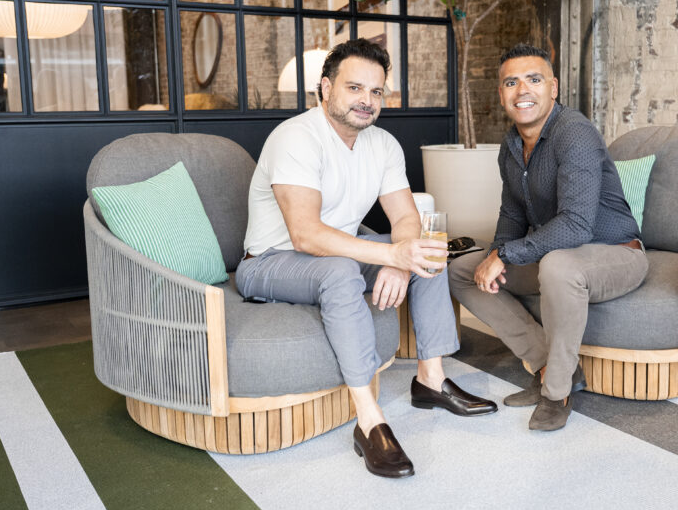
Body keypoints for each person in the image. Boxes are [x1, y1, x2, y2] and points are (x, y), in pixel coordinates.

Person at [237, 38, 496, 479]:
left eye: (376, 92)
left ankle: (431, 379)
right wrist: (390, 251)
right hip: (270, 261)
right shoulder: (295, 138)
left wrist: (400, 260)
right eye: (354, 88)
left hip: (337, 251)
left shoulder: (383, 145)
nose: (367, 100)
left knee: (427, 249)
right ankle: (369, 418)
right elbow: (305, 234)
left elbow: (406, 218)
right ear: (326, 88)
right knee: (341, 272)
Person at [449, 43, 648, 431]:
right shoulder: (510, 146)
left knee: (558, 266)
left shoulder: (575, 134)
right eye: (511, 82)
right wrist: (494, 254)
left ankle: (557, 394)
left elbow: (576, 225)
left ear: (553, 88)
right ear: (502, 94)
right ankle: (548, 365)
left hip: (616, 253)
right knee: (461, 270)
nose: (522, 90)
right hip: (559, 254)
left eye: (533, 79)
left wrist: (505, 255)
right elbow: (512, 215)